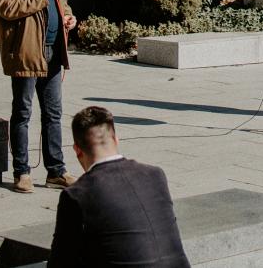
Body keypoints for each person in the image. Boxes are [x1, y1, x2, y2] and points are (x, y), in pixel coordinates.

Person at [48, 107, 190, 268]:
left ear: (77, 150)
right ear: (116, 139)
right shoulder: (155, 175)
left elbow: (60, 261)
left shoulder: (77, 194)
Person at [0, 0, 78, 193]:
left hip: (54, 50)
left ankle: (56, 170)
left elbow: (60, 0)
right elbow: (8, 8)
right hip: (27, 51)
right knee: (23, 112)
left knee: (53, 114)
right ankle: (22, 171)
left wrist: (67, 17)